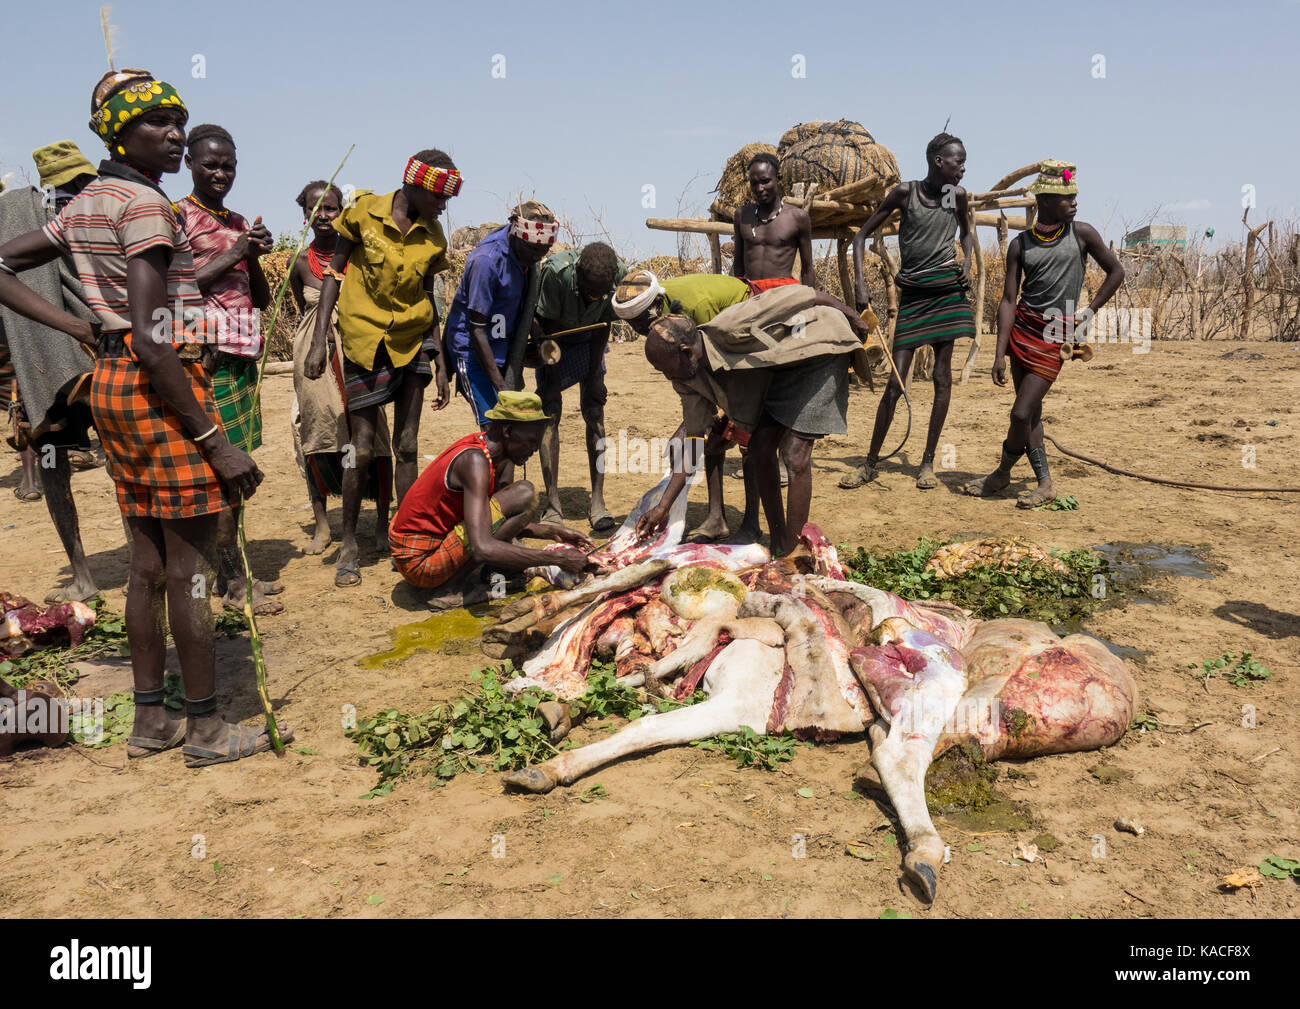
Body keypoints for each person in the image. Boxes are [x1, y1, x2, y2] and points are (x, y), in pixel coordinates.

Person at [0, 69, 289, 765]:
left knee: (145, 565)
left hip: (111, 388)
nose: (174, 134)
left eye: (177, 121)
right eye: (157, 122)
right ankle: (208, 730)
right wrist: (217, 442)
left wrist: (78, 325)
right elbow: (156, 338)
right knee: (188, 568)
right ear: (118, 132)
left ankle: (152, 721)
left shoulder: (86, 202)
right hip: (162, 385)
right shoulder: (146, 207)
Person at [304, 149, 457, 587]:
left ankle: (403, 537)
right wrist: (319, 340)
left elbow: (430, 298)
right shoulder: (363, 214)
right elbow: (333, 275)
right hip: (364, 340)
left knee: (408, 444)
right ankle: (350, 541)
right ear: (415, 186)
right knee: (363, 447)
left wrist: (440, 360)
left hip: (413, 342)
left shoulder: (434, 235)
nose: (443, 207)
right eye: (439, 197)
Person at [631, 282, 870, 555]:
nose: (665, 376)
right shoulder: (686, 379)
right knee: (759, 448)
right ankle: (780, 543)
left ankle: (795, 555)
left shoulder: (732, 324)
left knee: (794, 455)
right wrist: (663, 506)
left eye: (664, 367)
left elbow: (802, 294)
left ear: (686, 352)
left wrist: (850, 314)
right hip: (783, 371)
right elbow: (694, 442)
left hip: (819, 348)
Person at [963, 160, 1124, 506]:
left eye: (1075, 197)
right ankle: (1045, 484)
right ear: (1045, 201)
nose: (1074, 203)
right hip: (1022, 330)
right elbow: (1008, 300)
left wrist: (1089, 311)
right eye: (1066, 198)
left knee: (1021, 413)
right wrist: (998, 353)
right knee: (1031, 412)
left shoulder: (1082, 234)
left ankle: (1002, 474)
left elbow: (1116, 272)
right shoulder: (1020, 245)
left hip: (1056, 334)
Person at [175, 124, 283, 615]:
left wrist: (253, 256)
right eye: (211, 165)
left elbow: (257, 297)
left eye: (229, 166)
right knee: (222, 470)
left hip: (242, 357)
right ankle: (233, 584)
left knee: (238, 468)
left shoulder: (236, 219)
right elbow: (178, 286)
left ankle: (233, 573)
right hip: (207, 356)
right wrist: (236, 250)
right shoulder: (178, 217)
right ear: (189, 165)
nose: (221, 173)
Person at [842, 132, 976, 491]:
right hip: (915, 297)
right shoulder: (906, 193)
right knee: (896, 384)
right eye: (957, 161)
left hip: (947, 292)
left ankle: (928, 464)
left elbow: (967, 234)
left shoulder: (956, 197)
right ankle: (870, 463)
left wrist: (967, 261)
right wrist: (860, 286)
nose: (963, 168)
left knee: (942, 378)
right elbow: (859, 238)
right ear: (937, 161)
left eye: (963, 161)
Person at [0, 141, 102, 601]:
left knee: (135, 461)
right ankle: (82, 575)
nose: (77, 192)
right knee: (52, 464)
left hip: (107, 349)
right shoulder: (31, 217)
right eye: (68, 187)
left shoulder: (102, 212)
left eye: (82, 183)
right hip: (43, 355)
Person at [389, 391, 597, 609]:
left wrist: (552, 532)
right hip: (420, 564)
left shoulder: (482, 452)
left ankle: (456, 581)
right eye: (531, 441)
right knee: (524, 494)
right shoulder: (475, 462)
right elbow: (483, 547)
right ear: (507, 431)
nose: (535, 449)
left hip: (414, 553)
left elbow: (486, 521)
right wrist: (559, 560)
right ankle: (449, 590)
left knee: (518, 497)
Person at [612, 269, 766, 543]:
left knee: (747, 437)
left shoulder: (698, 309)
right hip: (706, 361)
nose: (640, 332)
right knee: (714, 442)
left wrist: (709, 415)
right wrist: (694, 423)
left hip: (745, 341)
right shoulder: (666, 330)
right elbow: (691, 381)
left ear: (654, 308)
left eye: (639, 325)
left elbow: (718, 364)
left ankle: (752, 523)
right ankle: (716, 518)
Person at [288, 180, 393, 556]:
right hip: (314, 354)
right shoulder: (299, 262)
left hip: (357, 348)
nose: (322, 217)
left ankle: (382, 520)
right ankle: (322, 523)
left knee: (372, 431)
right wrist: (318, 339)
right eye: (313, 210)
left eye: (330, 208)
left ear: (343, 211)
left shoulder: (360, 255)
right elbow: (303, 308)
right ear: (304, 216)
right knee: (316, 429)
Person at [532, 241, 627, 531]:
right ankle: (552, 504)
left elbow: (603, 328)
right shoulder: (556, 274)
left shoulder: (619, 275)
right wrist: (549, 368)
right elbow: (543, 324)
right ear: (579, 275)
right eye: (590, 291)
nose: (596, 296)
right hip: (552, 340)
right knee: (550, 412)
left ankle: (597, 500)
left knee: (595, 411)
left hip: (590, 340)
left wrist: (594, 376)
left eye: (602, 292)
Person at [444, 201, 557, 425]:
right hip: (473, 354)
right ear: (517, 236)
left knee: (511, 426)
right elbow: (477, 330)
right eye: (533, 250)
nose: (536, 257)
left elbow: (519, 306)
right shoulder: (486, 262)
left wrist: (538, 336)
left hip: (503, 349)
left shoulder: (526, 256)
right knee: (494, 426)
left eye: (542, 251)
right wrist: (503, 389)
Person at [731, 152, 815, 292]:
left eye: (765, 181)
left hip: (781, 294)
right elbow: (738, 266)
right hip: (750, 293)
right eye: (754, 183)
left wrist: (809, 301)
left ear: (778, 179)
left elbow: (807, 270)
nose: (759, 188)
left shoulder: (798, 218)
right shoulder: (742, 215)